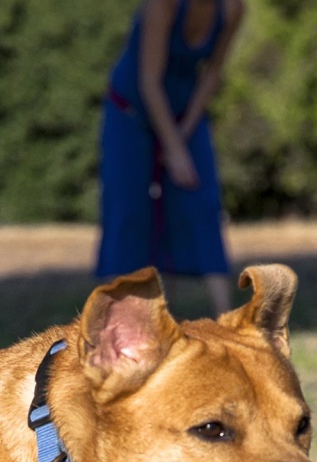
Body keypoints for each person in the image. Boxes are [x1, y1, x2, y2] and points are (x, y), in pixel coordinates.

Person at [97, 0, 244, 315]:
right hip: (130, 112)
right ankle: (118, 322)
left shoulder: (232, 10)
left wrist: (185, 132)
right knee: (129, 209)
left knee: (202, 203)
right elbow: (149, 82)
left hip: (185, 113)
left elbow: (212, 74)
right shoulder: (162, 6)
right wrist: (174, 148)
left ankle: (227, 321)